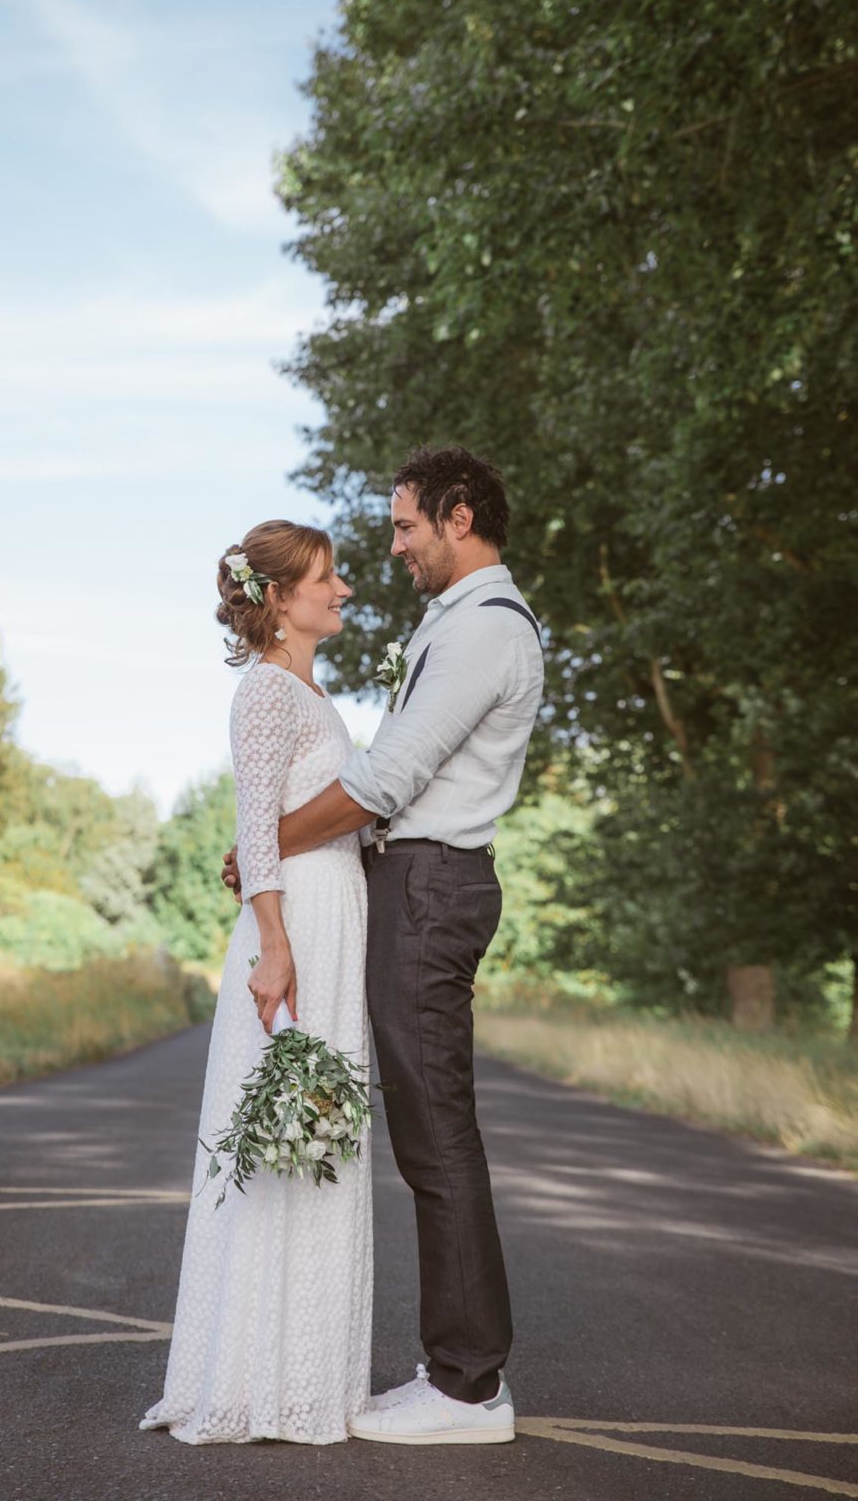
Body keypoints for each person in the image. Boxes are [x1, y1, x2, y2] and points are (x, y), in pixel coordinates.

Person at [223, 445, 544, 1445]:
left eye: (406, 525)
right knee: (424, 1131)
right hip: (412, 883)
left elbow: (385, 781)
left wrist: (265, 841)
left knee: (436, 1131)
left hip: (433, 888)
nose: (394, 545)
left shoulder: (485, 631)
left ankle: (467, 1385)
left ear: (458, 518)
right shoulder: (452, 625)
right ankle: (457, 1368)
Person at [139, 520, 372, 1445]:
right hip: (298, 927)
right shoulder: (267, 691)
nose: (344, 588)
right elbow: (261, 831)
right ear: (279, 598)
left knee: (322, 1135)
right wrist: (274, 945)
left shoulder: (314, 694)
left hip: (335, 918)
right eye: (327, 577)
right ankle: (254, 1377)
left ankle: (313, 1372)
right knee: (289, 1131)